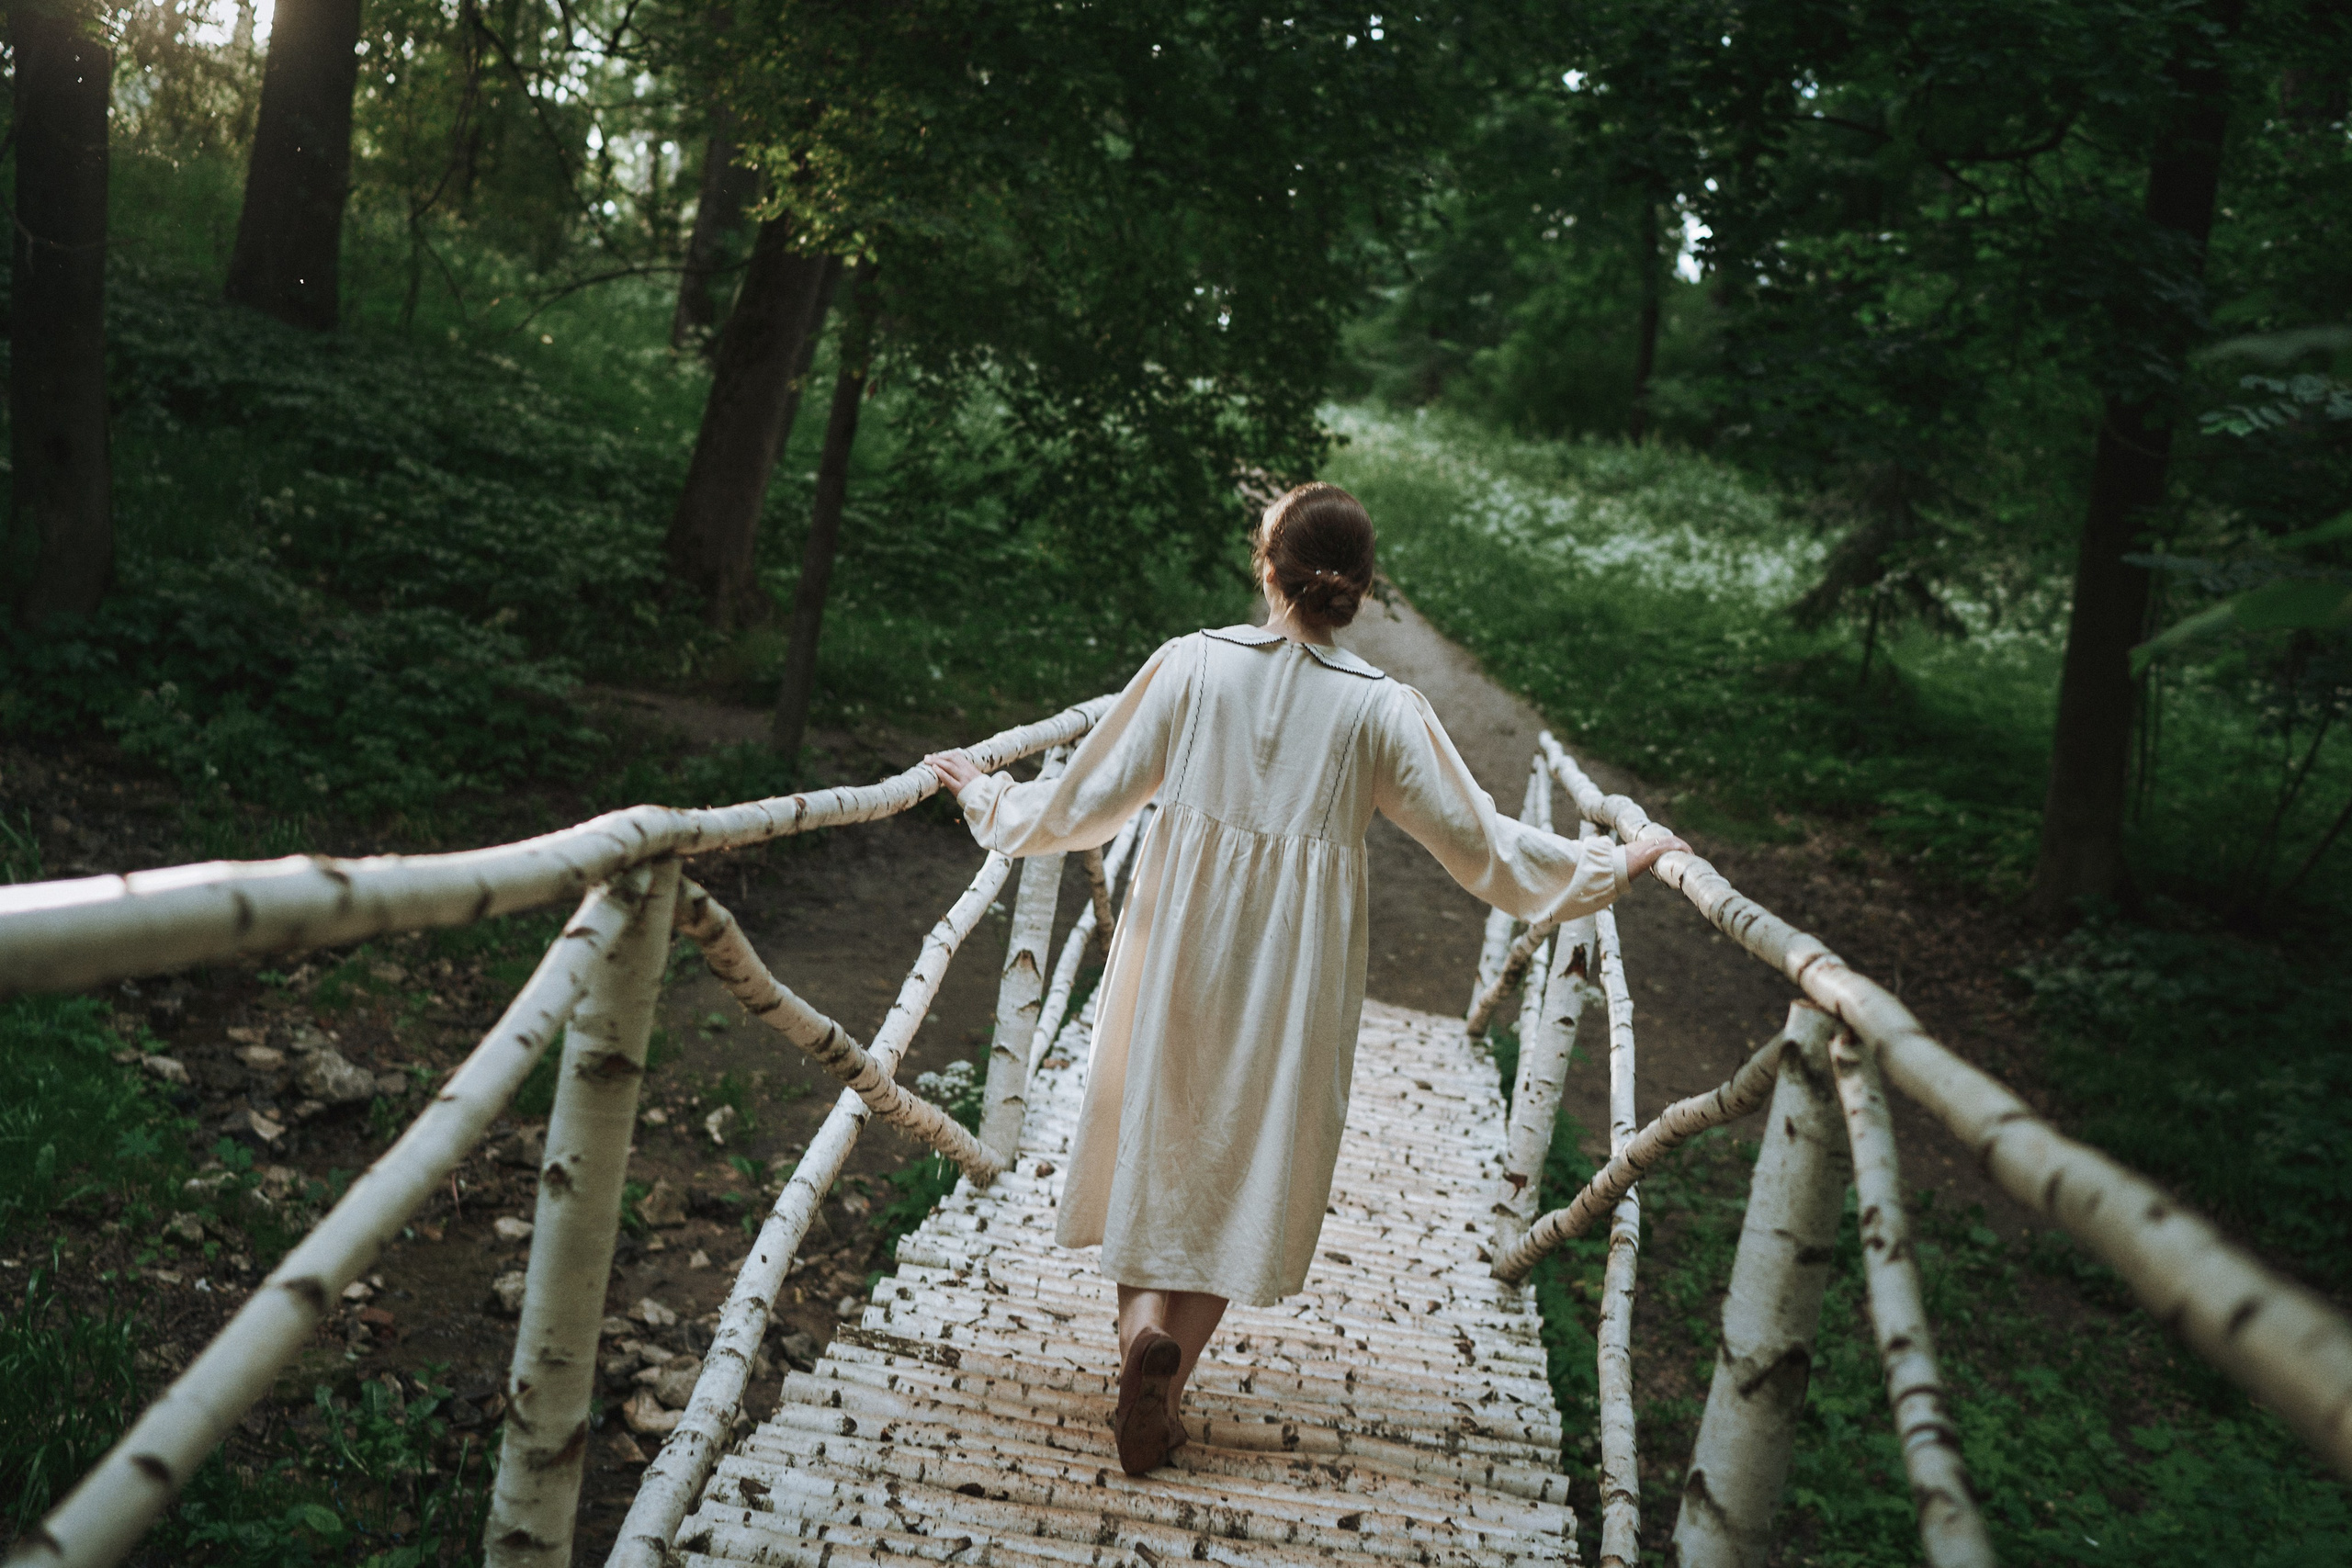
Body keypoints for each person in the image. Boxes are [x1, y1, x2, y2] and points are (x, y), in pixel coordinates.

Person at [922, 482, 1685, 1476]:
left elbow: (1084, 804)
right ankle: (1166, 1376)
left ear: (1264, 565)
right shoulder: (1381, 709)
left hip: (1171, 944)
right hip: (1294, 971)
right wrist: (1609, 866)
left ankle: (1136, 1340)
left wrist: (989, 797)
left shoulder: (1189, 666)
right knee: (1243, 1161)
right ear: (1360, 590)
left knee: (1154, 1137)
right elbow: (1482, 848)